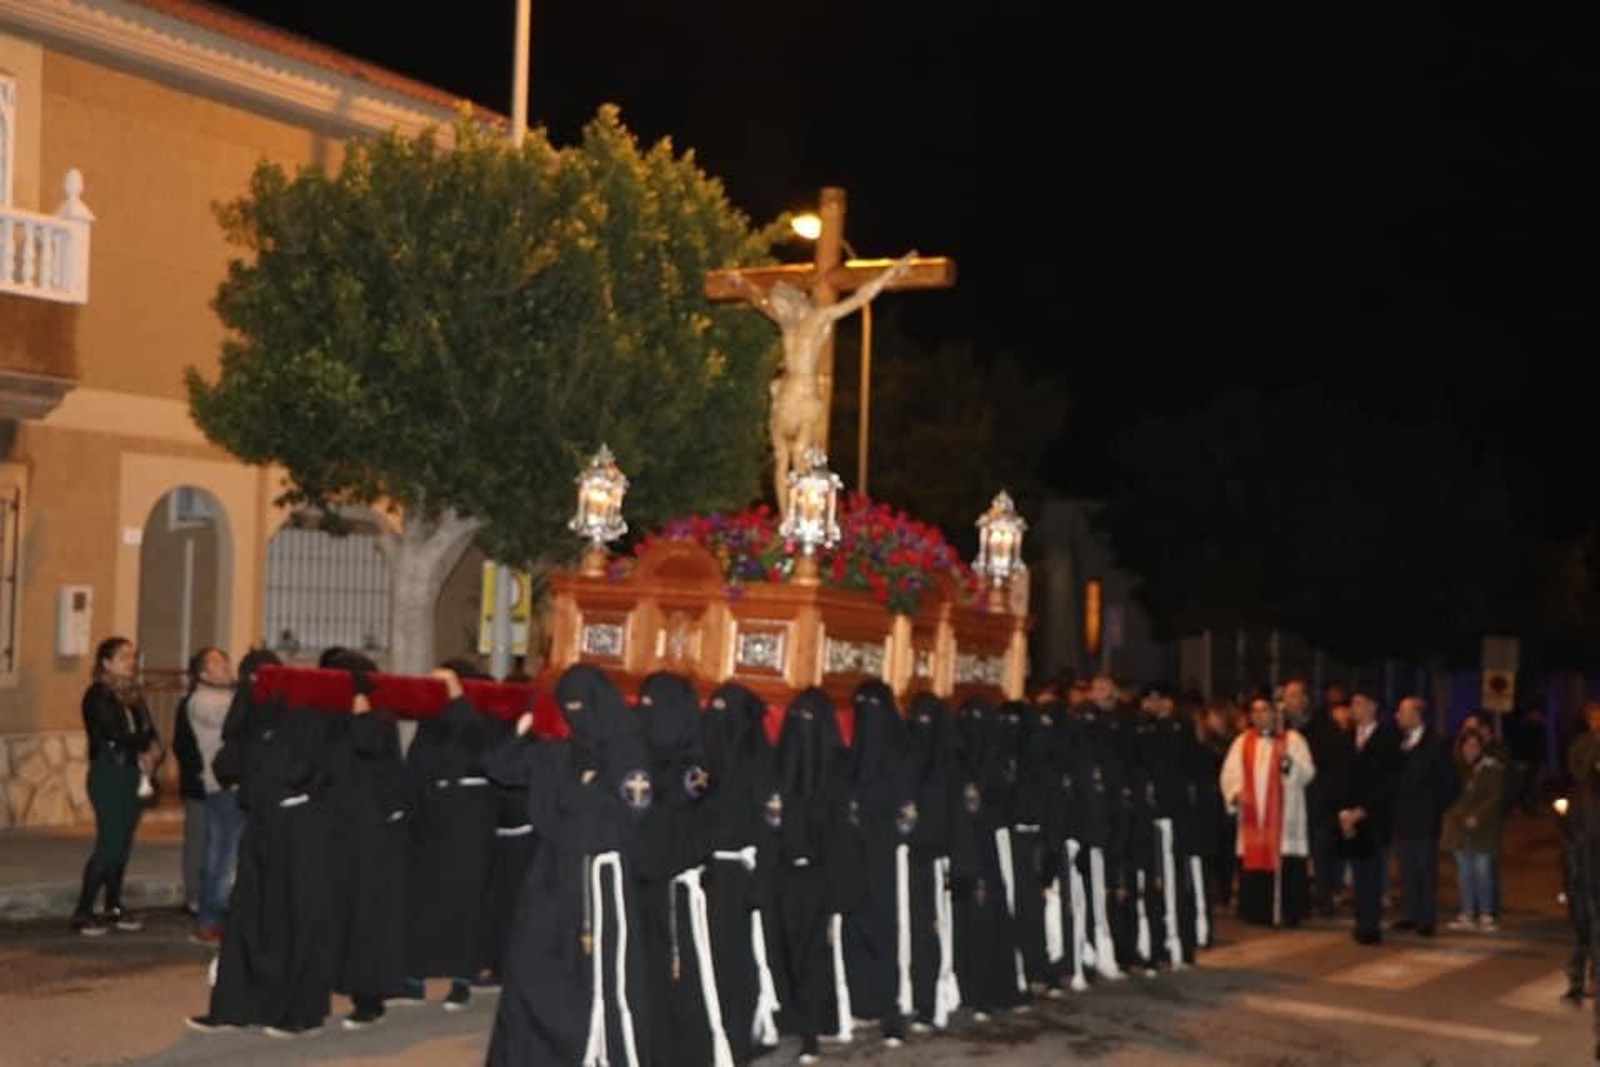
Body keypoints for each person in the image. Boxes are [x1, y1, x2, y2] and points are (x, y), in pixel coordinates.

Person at [484, 664, 654, 1067]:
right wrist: (522, 726)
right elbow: (498, 766)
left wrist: (577, 798)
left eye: (583, 705)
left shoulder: (628, 755)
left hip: (599, 879)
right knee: (532, 969)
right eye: (568, 706)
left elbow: (621, 822)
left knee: (592, 978)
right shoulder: (557, 751)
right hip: (551, 874)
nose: (576, 714)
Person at [189, 652, 336, 1037]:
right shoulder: (253, 719)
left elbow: (308, 768)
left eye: (260, 680)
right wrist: (246, 720)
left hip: (299, 826)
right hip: (261, 826)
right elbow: (226, 764)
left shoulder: (304, 713)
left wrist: (269, 767)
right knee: (246, 918)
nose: (253, 688)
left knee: (295, 918)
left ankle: (301, 1012)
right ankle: (233, 1008)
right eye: (248, 680)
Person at [395, 660, 500, 1012]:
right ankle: (414, 975)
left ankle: (462, 978)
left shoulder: (481, 716)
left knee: (466, 901)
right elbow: (416, 765)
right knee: (423, 897)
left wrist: (456, 693)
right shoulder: (431, 722)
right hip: (432, 815)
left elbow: (477, 739)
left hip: (470, 818)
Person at [632, 671, 726, 1067]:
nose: (647, 715)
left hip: (680, 885)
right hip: (639, 877)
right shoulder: (636, 754)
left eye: (656, 706)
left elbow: (679, 801)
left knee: (682, 974)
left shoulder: (697, 761)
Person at [700, 682, 783, 1061]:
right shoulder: (703, 757)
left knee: (739, 957)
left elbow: (768, 821)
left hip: (740, 872)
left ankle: (741, 1031)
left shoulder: (760, 761)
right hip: (705, 873)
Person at [770, 688, 853, 1064]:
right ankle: (790, 1018)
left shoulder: (836, 770)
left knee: (814, 956)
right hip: (784, 873)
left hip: (819, 875)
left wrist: (837, 895)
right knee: (785, 951)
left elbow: (839, 837)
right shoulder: (780, 764)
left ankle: (812, 1030)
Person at [841, 681, 916, 1045]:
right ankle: (862, 1000)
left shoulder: (899, 753)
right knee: (857, 923)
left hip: (888, 852)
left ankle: (891, 1007)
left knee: (888, 927)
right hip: (857, 852)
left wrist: (896, 838)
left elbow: (907, 810)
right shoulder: (854, 753)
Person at [72, 637, 162, 936]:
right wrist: (144, 748)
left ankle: (113, 907)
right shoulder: (98, 694)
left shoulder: (134, 696)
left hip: (133, 775)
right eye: (124, 656)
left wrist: (155, 749)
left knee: (123, 844)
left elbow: (150, 730)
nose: (131, 661)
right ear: (106, 662)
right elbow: (114, 732)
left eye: (133, 656)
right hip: (109, 774)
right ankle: (83, 912)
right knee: (109, 844)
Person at [1220, 696, 1316, 927]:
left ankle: (1289, 912)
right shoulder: (1243, 741)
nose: (1259, 715)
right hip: (1254, 815)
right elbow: (1229, 774)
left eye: (1264, 710)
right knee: (1254, 861)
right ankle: (1257, 911)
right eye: (1254, 711)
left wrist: (1287, 760)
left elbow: (1308, 773)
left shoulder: (1292, 739)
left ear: (1275, 714)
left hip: (1284, 813)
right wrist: (1235, 793)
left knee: (1286, 860)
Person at [172, 647, 239, 945]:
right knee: (219, 855)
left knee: (231, 856)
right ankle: (208, 919)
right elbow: (235, 722)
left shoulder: (231, 697)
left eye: (225, 660)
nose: (224, 666)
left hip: (238, 785)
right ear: (202, 673)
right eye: (216, 663)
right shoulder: (201, 701)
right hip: (220, 787)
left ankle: (221, 915)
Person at [1389, 696, 1454, 937]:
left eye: (1402, 712)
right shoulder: (1399, 743)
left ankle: (1426, 917)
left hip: (1425, 819)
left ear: (1417, 715)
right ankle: (1410, 913)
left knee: (1424, 868)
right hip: (1403, 817)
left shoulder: (1435, 744)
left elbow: (1449, 782)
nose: (1398, 716)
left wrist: (1435, 807)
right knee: (1406, 868)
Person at [1444, 731, 1505, 932]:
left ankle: (1486, 914)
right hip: (1460, 828)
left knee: (1482, 871)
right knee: (1464, 873)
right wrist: (1459, 816)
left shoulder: (1490, 768)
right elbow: (1448, 796)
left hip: (1482, 830)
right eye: (1467, 745)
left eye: (1475, 746)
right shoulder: (1456, 768)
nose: (1471, 750)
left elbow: (1495, 796)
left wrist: (1478, 816)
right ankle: (1467, 912)